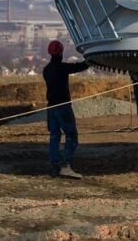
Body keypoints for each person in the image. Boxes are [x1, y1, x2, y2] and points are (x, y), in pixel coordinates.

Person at [43, 40, 89, 178]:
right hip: (63, 107)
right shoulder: (61, 68)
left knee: (54, 137)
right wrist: (91, 57)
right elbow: (80, 67)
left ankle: (55, 167)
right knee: (71, 136)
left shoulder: (47, 69)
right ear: (61, 52)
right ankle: (66, 165)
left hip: (51, 108)